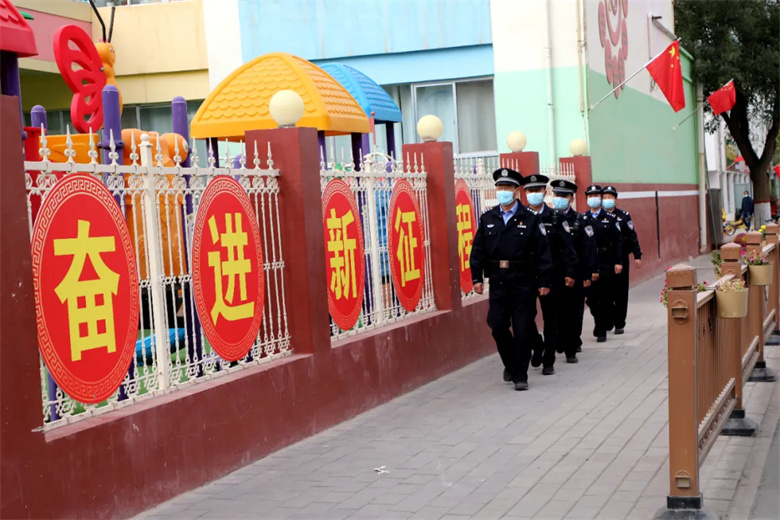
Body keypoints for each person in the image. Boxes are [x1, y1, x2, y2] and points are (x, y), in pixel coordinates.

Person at [469, 168, 553, 391]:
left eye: (507, 187)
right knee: (497, 326)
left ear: (516, 191)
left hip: (523, 282)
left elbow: (543, 252)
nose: (503, 191)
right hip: (498, 281)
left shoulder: (531, 219)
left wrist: (544, 281)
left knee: (523, 329)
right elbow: (478, 251)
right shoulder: (488, 218)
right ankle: (511, 363)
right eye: (500, 187)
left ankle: (520, 375)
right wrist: (476, 277)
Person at [523, 174, 578, 375]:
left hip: (553, 275)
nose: (533, 194)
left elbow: (568, 248)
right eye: (530, 191)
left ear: (544, 192)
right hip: (527, 276)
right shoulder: (521, 216)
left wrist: (570, 272)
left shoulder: (556, 217)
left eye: (537, 190)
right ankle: (537, 346)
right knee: (525, 317)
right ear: (525, 193)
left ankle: (549, 360)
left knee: (551, 318)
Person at [550, 179, 598, 363]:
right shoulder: (548, 218)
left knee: (574, 311)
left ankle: (572, 346)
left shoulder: (580, 220)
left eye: (564, 196)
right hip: (555, 273)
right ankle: (561, 340)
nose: (559, 199)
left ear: (571, 198)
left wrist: (587, 274)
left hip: (576, 273)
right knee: (556, 311)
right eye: (557, 195)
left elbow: (588, 249)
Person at [582, 185, 623, 343]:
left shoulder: (610, 219)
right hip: (589, 262)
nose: (593, 198)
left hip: (606, 260)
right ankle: (600, 321)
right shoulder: (583, 219)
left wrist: (618, 261)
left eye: (596, 195)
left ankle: (602, 329)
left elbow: (618, 241)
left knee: (606, 297)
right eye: (590, 196)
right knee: (592, 298)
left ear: (600, 198)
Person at [601, 186, 642, 334]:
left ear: (615, 199)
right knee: (606, 292)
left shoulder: (623, 216)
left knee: (621, 291)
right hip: (605, 259)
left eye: (610, 197)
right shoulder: (598, 216)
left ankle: (619, 323)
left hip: (622, 258)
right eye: (605, 197)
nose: (607, 200)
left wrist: (637, 255)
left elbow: (632, 236)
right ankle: (608, 319)